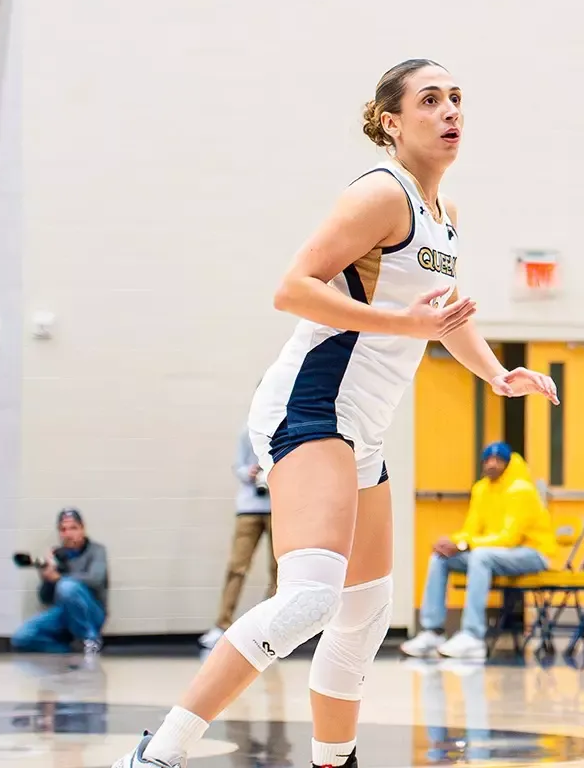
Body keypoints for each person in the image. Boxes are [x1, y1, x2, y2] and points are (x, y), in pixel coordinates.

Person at [113, 60, 557, 768]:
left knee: (365, 613)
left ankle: (334, 761)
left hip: (363, 428)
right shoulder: (381, 195)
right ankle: (158, 754)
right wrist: (401, 325)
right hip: (311, 403)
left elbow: (442, 313)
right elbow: (291, 289)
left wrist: (499, 375)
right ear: (391, 121)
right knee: (309, 602)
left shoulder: (445, 214)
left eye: (458, 100)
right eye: (431, 100)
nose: (451, 113)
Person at [400, 442, 555, 660]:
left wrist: (465, 545)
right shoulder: (481, 489)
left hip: (532, 553)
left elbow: (509, 538)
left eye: (498, 460)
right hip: (496, 554)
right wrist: (452, 542)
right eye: (488, 460)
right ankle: (432, 631)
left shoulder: (521, 490)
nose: (492, 464)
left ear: (508, 464)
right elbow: (470, 530)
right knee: (441, 558)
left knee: (480, 556)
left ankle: (472, 636)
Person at [199, 427, 278, 650]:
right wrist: (250, 473)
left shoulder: (289, 425)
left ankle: (270, 630)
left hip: (279, 507)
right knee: (237, 566)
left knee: (278, 569)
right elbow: (238, 465)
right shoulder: (248, 430)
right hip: (249, 508)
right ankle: (222, 625)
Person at [11, 508, 110, 655]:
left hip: (91, 612)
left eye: (73, 528)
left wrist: (60, 578)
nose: (68, 534)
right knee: (21, 638)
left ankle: (90, 639)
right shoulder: (58, 555)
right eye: (63, 529)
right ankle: (72, 650)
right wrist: (47, 578)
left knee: (67, 586)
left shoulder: (97, 551)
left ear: (82, 529)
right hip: (64, 612)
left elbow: (95, 579)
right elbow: (45, 598)